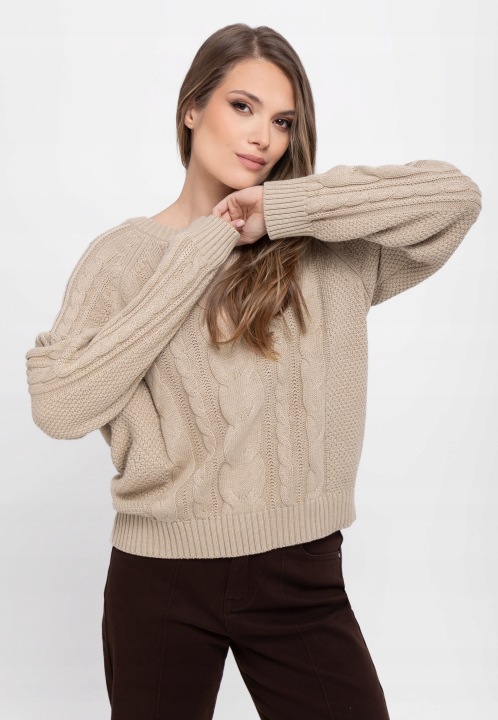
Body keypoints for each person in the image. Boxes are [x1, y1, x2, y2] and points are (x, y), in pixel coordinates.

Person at [25, 22, 482, 720]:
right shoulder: (120, 257)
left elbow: (455, 199)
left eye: (282, 121)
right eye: (242, 106)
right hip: (159, 578)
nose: (263, 137)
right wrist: (207, 243)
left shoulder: (324, 252)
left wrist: (281, 208)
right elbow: (60, 407)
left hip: (301, 575)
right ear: (192, 109)